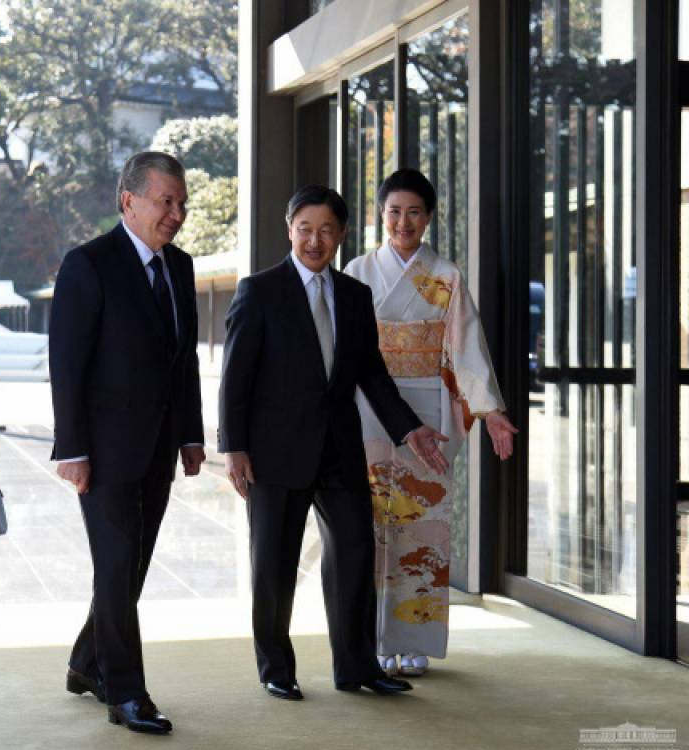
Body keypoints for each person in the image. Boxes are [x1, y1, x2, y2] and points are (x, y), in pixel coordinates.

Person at [218, 185, 449, 701]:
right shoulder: (259, 291)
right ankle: (276, 668)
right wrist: (233, 447)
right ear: (289, 231)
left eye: (326, 230)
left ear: (342, 234)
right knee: (274, 564)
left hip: (341, 449)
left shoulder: (354, 295)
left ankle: (357, 666)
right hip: (275, 453)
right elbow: (235, 377)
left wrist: (410, 427)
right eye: (305, 229)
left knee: (354, 554)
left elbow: (372, 375)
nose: (314, 241)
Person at [49, 151, 206, 735]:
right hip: (104, 450)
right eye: (166, 201)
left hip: (159, 446)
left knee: (131, 567)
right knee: (116, 567)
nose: (176, 214)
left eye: (181, 203)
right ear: (128, 200)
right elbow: (67, 364)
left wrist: (190, 435)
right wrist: (72, 449)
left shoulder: (180, 267)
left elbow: (183, 360)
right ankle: (126, 692)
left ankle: (86, 662)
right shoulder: (88, 264)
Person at [345, 168, 517, 678]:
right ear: (381, 214)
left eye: (414, 213)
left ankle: (414, 637)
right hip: (367, 406)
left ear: (428, 218)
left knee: (424, 527)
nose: (403, 222)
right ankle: (375, 639)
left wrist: (490, 410)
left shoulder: (446, 275)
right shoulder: (357, 270)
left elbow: (465, 346)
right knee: (370, 525)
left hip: (429, 408)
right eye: (394, 212)